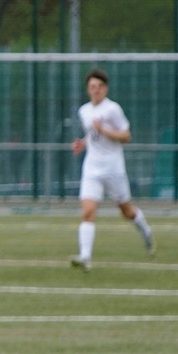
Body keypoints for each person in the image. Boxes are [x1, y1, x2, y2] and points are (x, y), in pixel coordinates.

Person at [70, 68, 155, 272]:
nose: (96, 90)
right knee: (88, 211)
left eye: (99, 86)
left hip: (113, 169)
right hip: (92, 169)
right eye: (92, 87)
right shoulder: (84, 111)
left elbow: (126, 136)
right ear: (88, 89)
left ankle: (145, 230)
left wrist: (104, 130)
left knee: (127, 211)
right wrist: (83, 143)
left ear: (105, 89)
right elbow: (93, 135)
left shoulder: (113, 109)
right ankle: (85, 257)